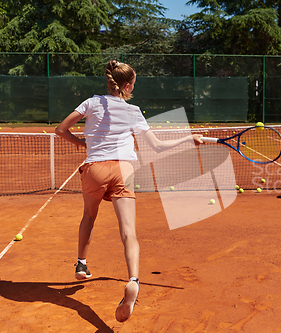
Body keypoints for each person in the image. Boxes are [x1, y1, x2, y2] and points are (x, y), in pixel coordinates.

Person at [55, 60, 203, 322]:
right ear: (126, 86)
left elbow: (60, 129)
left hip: (94, 169)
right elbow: (156, 146)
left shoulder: (91, 103)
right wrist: (189, 138)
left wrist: (79, 142)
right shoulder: (133, 110)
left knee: (89, 216)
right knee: (129, 232)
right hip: (123, 169)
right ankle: (133, 279)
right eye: (133, 83)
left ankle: (81, 263)